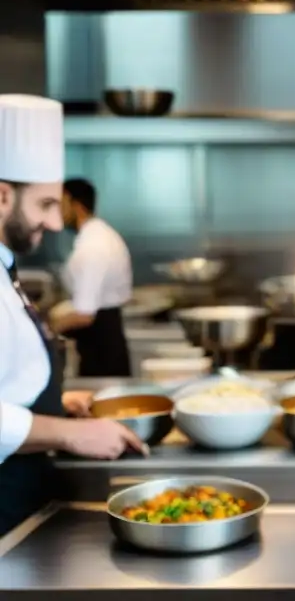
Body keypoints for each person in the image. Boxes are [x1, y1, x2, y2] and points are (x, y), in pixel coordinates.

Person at [0, 94, 145, 537]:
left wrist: (52, 405)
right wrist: (68, 434)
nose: (57, 222)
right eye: (45, 205)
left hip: (24, 495)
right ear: (2, 196)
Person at [49, 177, 133, 377]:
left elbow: (84, 315)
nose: (55, 212)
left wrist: (43, 332)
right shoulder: (97, 235)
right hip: (103, 341)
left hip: (101, 349)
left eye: (59, 204)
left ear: (75, 204)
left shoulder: (93, 245)